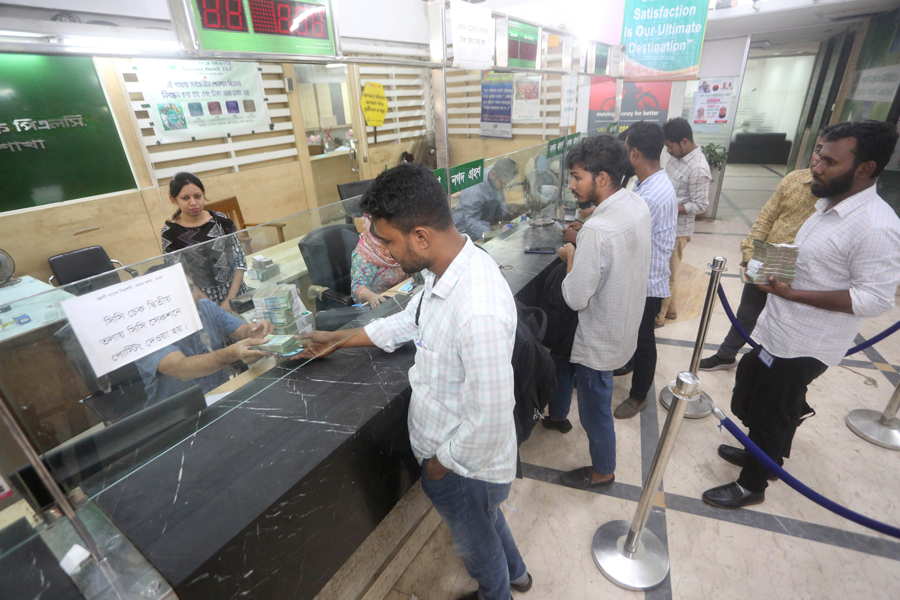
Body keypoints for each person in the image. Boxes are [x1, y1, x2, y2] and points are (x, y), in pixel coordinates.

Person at [296, 163, 531, 600]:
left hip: (463, 466)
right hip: (460, 465)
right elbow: (409, 320)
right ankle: (518, 573)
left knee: (477, 543)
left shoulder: (476, 308)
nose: (383, 251)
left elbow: (492, 419)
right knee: (487, 520)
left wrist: (440, 467)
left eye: (387, 241)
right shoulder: (448, 267)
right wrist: (340, 339)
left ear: (421, 236)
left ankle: (495, 592)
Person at [702, 121, 900, 509]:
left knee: (774, 410)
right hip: (779, 327)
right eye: (818, 156)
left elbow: (875, 298)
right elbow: (813, 262)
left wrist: (794, 293)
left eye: (829, 160)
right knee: (753, 388)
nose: (817, 167)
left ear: (864, 169)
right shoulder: (826, 205)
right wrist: (772, 275)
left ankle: (752, 484)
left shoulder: (877, 227)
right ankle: (764, 453)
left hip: (806, 343)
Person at [547, 135, 651, 489]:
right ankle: (561, 418)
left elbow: (575, 297)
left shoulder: (596, 232)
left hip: (599, 340)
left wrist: (571, 254)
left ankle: (603, 469)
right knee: (592, 389)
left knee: (595, 412)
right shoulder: (636, 205)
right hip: (625, 325)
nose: (572, 185)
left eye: (577, 177)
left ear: (602, 178)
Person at [699, 138, 823, 372]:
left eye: (827, 155)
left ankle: (772, 365)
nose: (819, 158)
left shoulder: (835, 195)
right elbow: (766, 217)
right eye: (818, 150)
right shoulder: (794, 179)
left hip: (803, 272)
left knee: (784, 322)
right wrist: (750, 252)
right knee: (747, 313)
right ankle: (726, 355)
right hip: (768, 259)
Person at [612, 122, 678, 420]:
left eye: (625, 150)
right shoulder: (649, 182)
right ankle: (629, 363)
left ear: (635, 153)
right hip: (643, 275)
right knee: (635, 333)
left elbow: (624, 234)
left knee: (644, 338)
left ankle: (639, 396)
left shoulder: (652, 195)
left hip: (648, 282)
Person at [137, 276, 273, 407]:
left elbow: (243, 331)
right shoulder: (146, 331)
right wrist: (231, 353)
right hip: (176, 413)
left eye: (190, 288)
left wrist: (257, 330)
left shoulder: (206, 307)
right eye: (176, 293)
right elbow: (181, 369)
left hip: (219, 396)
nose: (189, 297)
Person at [161, 172, 249, 311]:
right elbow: (179, 274)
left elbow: (239, 259)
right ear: (174, 200)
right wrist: (211, 305)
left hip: (236, 293)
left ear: (204, 194)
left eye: (197, 196)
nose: (193, 202)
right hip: (202, 301)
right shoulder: (170, 233)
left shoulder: (220, 220)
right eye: (185, 198)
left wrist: (230, 299)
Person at [658, 118, 711, 326]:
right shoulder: (676, 157)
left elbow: (700, 205)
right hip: (665, 225)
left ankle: (658, 317)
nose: (668, 151)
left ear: (685, 141)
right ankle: (671, 310)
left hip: (678, 231)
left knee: (666, 274)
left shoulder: (698, 168)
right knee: (668, 269)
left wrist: (669, 209)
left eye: (671, 146)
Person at [452, 158, 519, 239]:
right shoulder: (475, 190)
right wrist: (492, 235)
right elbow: (471, 221)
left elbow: (498, 202)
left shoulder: (496, 173)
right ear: (493, 174)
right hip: (465, 232)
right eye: (502, 183)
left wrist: (509, 215)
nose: (504, 187)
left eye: (506, 183)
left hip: (483, 223)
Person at [350, 214, 409, 306]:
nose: (385, 250)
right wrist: (371, 297)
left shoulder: (398, 244)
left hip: (404, 295)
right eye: (382, 240)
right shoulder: (364, 254)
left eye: (389, 240)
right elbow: (358, 287)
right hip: (381, 303)